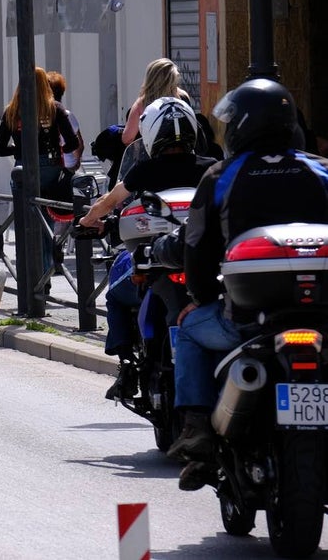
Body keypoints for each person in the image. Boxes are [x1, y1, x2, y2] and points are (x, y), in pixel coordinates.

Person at [166, 80, 328, 490]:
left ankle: (198, 427)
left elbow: (197, 247)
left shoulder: (222, 176)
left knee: (186, 330)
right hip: (322, 314)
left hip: (246, 320)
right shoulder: (320, 169)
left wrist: (198, 298)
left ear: (245, 126)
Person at [77, 97, 216, 400]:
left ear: (151, 135)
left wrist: (87, 219)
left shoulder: (144, 170)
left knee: (115, 292)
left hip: (158, 263)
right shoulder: (211, 169)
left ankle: (127, 367)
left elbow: (110, 202)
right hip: (203, 265)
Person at [0, 67, 79, 277]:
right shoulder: (55, 109)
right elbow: (72, 142)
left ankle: (27, 281)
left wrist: (19, 150)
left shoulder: (12, 111)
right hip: (50, 170)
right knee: (45, 225)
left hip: (22, 170)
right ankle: (46, 276)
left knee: (24, 227)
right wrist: (60, 156)